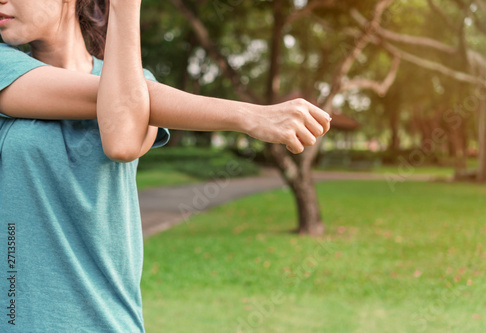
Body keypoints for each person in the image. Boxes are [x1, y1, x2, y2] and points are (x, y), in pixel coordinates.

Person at [0, 0, 331, 332]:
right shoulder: (4, 65)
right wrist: (252, 115)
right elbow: (123, 114)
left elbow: (122, 140)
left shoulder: (136, 82)